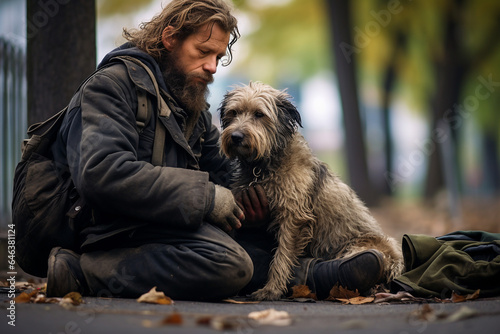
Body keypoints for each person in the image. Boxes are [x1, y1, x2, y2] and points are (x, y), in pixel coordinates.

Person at [47, 0, 384, 301]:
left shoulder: (187, 100)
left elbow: (221, 169)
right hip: (111, 230)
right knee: (230, 264)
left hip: (163, 224)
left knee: (252, 246)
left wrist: (252, 205)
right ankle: (83, 271)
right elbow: (101, 173)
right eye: (203, 52)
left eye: (218, 57)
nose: (212, 66)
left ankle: (316, 275)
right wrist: (208, 198)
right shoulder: (111, 87)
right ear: (170, 39)